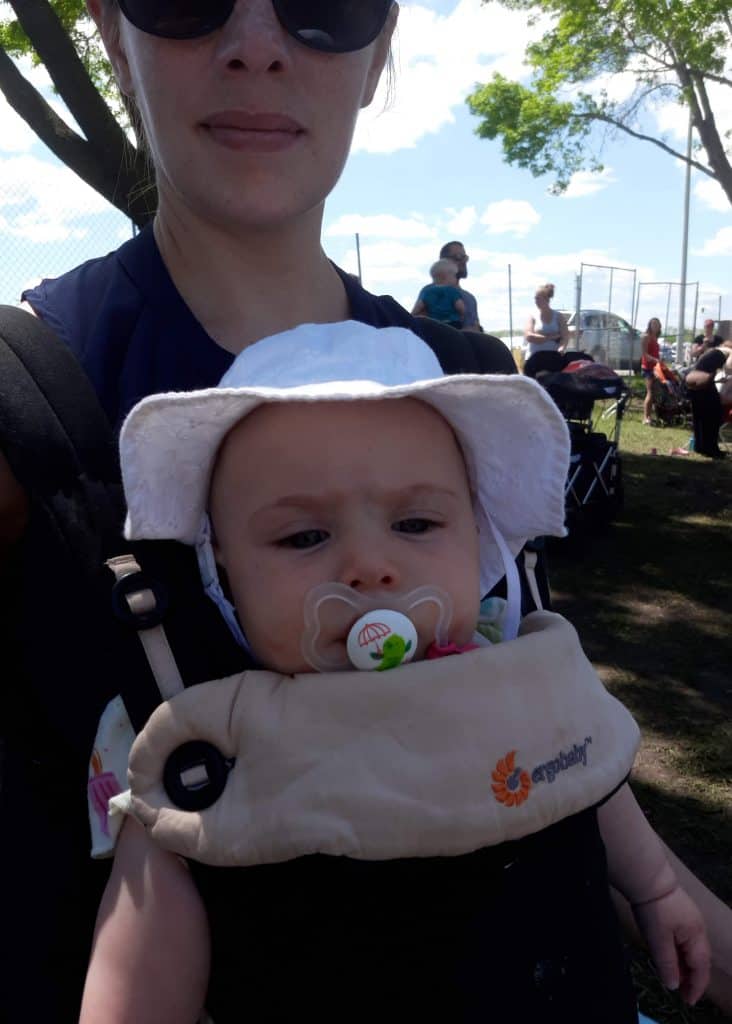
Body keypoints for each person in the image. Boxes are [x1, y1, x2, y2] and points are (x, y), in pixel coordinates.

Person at [0, 0, 727, 1017]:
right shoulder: (24, 402)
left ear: (381, 48)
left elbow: (537, 716)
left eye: (325, 6)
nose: (256, 45)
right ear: (111, 35)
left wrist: (664, 886)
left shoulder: (465, 380)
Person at [80, 321, 709, 1023]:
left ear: (477, 533)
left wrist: (653, 885)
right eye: (304, 536)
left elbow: (582, 770)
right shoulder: (207, 742)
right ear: (221, 566)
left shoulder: (510, 662)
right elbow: (141, 948)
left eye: (415, 525)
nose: (370, 567)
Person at [686, 336, 732, 459]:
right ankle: (711, 449)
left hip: (696, 381)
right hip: (705, 384)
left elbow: (705, 368)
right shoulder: (730, 352)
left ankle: (700, 446)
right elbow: (729, 368)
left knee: (699, 415)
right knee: (714, 415)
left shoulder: (715, 350)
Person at [439, 240, 482, 330]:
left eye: (465, 257)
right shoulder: (433, 292)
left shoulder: (470, 298)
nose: (464, 262)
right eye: (458, 257)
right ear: (443, 262)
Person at [411, 257, 465, 327]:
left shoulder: (427, 292)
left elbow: (418, 308)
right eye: (454, 276)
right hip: (453, 323)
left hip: (435, 323)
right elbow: (460, 307)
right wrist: (462, 314)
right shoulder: (453, 291)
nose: (456, 279)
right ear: (446, 276)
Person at [524, 283, 569, 359]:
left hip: (553, 358)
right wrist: (552, 337)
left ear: (546, 299)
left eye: (538, 298)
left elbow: (565, 336)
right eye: (535, 298)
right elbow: (529, 337)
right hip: (534, 359)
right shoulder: (532, 316)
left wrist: (562, 348)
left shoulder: (559, 316)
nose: (536, 301)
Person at [640, 317, 663, 425]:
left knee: (655, 392)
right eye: (653, 324)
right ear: (649, 325)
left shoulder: (656, 337)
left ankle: (650, 415)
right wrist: (655, 360)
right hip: (648, 368)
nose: (655, 326)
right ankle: (645, 417)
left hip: (656, 368)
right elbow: (644, 355)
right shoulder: (645, 337)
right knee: (650, 392)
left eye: (657, 324)